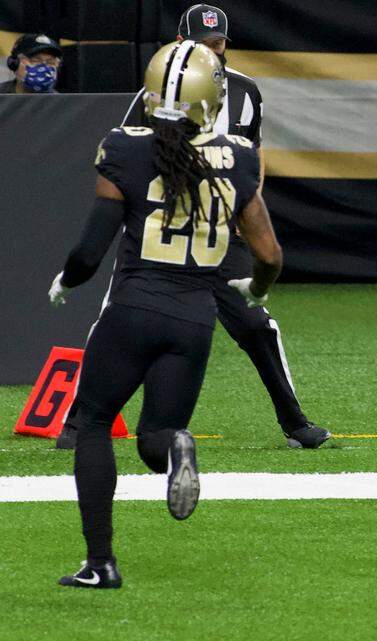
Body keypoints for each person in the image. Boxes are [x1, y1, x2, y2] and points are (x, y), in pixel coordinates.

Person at [50, 41, 281, 588]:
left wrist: (68, 279)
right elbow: (270, 254)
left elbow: (91, 249)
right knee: (158, 437)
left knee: (95, 425)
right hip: (194, 320)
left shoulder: (124, 148)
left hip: (132, 309)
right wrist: (256, 287)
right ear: (213, 96)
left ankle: (100, 563)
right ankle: (177, 449)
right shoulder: (239, 157)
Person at [65, 3, 330, 450]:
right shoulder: (157, 93)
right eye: (202, 43)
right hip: (160, 222)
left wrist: (246, 208)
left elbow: (253, 155)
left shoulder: (245, 91)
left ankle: (294, 420)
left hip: (216, 223)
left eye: (218, 42)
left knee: (254, 324)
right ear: (180, 43)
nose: (212, 50)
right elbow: (132, 154)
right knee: (114, 315)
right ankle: (78, 422)